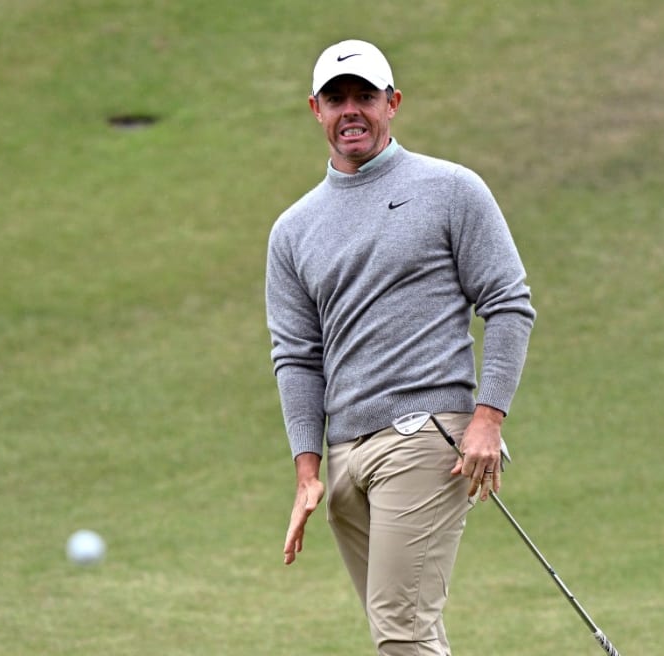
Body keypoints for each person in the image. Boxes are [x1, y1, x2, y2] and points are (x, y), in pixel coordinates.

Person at [265, 38, 536, 655]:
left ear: (394, 103)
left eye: (366, 96)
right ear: (315, 109)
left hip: (426, 439)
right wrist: (307, 467)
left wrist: (488, 419)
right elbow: (297, 355)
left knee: (401, 634)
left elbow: (509, 303)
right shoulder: (293, 230)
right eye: (337, 98)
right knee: (413, 635)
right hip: (344, 459)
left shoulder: (452, 190)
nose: (351, 109)